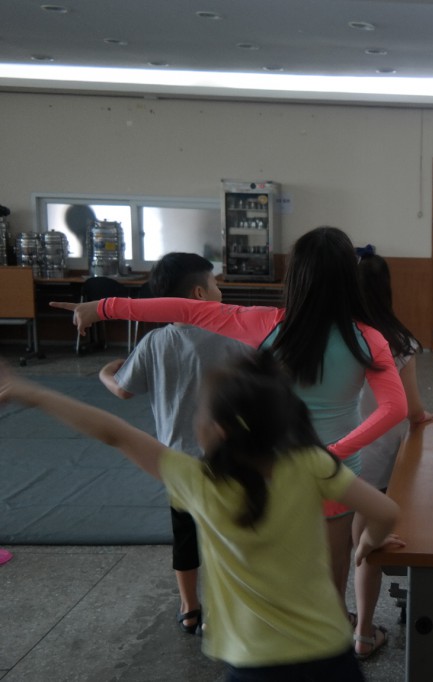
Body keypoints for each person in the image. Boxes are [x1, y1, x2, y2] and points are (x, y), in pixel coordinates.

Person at [51, 227, 407, 634]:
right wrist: (337, 451)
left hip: (274, 470)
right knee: (334, 565)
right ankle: (331, 631)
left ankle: (274, 635)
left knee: (274, 562)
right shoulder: (368, 338)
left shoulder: (265, 323)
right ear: (348, 277)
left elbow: (184, 310)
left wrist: (103, 307)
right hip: (337, 473)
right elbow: (394, 409)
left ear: (296, 276)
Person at [0, 352, 402, 680]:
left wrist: (32, 393)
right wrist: (367, 543)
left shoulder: (199, 483)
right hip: (329, 652)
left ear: (219, 430)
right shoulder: (310, 463)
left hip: (255, 661)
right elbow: (385, 511)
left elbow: (115, 433)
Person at [98, 252, 248, 635]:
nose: (220, 290)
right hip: (227, 460)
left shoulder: (154, 342)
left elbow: (123, 389)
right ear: (199, 294)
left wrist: (104, 373)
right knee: (228, 535)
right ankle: (225, 608)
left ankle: (189, 607)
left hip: (176, 462)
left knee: (184, 536)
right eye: (215, 284)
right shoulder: (231, 336)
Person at [350, 247, 433, 659]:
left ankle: (337, 622)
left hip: (333, 454)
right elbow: (412, 408)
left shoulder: (332, 336)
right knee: (368, 546)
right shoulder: (398, 342)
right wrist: (422, 418)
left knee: (336, 545)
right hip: (378, 457)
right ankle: (364, 633)